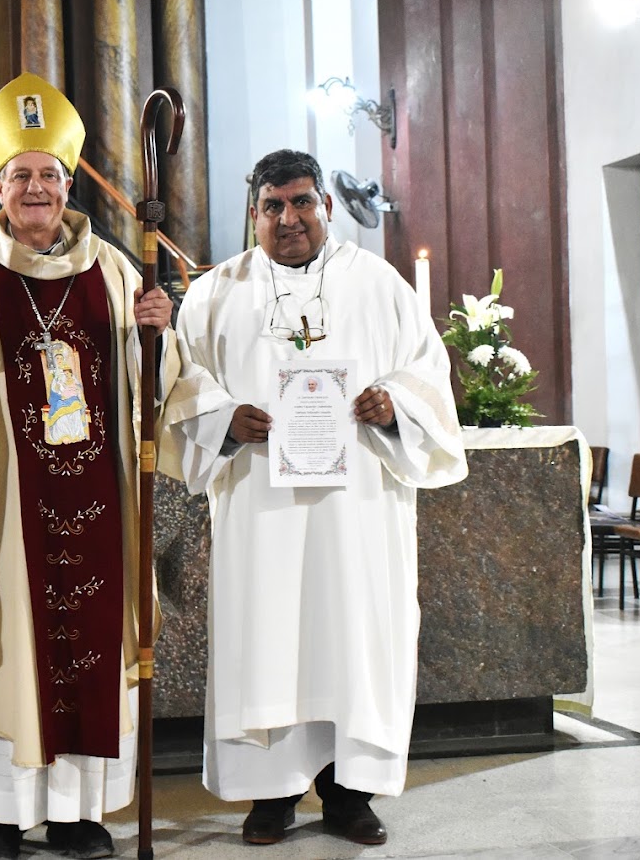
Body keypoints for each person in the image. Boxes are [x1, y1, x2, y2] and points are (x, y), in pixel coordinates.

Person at [0, 73, 181, 860]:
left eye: (48, 173)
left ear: (69, 181)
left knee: (87, 642)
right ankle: (4, 817)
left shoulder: (115, 272)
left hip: (98, 499)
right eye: (20, 175)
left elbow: (155, 382)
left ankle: (81, 815)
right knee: (6, 646)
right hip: (5, 507)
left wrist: (157, 331)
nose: (36, 188)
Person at [159, 149, 467, 848]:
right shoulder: (215, 293)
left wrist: (394, 408)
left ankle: (348, 793)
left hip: (355, 507)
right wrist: (223, 419)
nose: (288, 218)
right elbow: (183, 384)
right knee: (265, 637)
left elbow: (427, 375)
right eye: (272, 206)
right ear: (253, 214)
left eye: (301, 202)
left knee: (352, 639)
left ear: (325, 205)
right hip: (259, 508)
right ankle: (269, 798)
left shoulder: (378, 285)